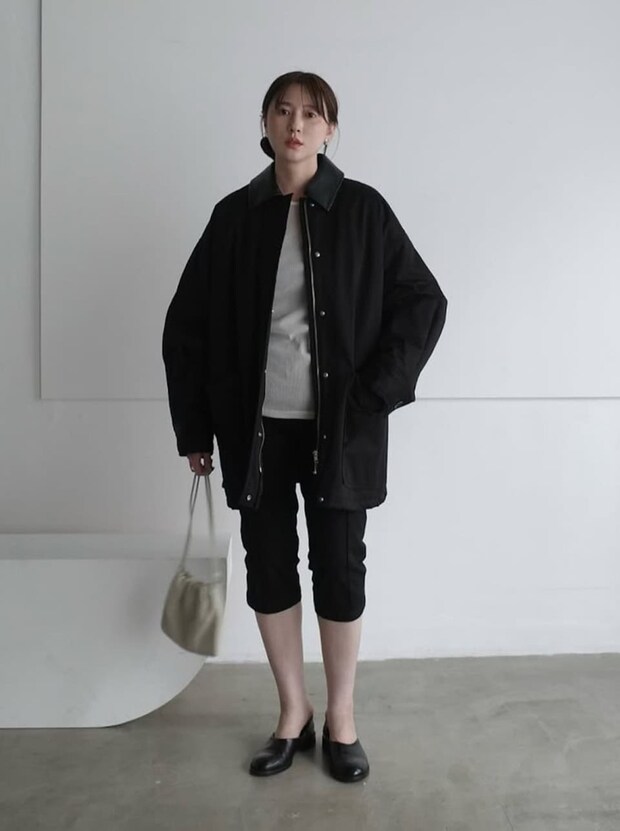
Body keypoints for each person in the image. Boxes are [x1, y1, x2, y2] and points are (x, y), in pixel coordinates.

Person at [162, 70, 448, 783]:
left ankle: (342, 717)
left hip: (340, 432)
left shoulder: (363, 210)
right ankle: (293, 712)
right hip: (254, 430)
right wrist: (195, 427)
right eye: (284, 110)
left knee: (340, 568)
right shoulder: (235, 217)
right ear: (265, 122)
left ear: (329, 129)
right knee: (269, 567)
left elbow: (424, 301)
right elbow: (186, 324)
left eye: (312, 114)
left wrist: (374, 393)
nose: (296, 124)